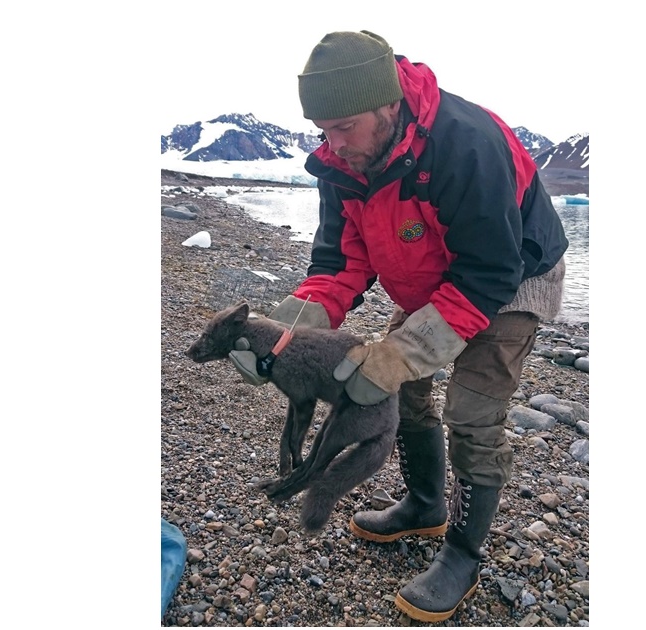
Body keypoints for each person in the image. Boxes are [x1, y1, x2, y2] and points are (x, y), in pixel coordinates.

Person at [230, 30, 569, 622]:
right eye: (323, 131)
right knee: (397, 386)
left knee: (473, 411)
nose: (334, 145)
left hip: (513, 274)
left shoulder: (467, 146)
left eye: (346, 127)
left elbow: (489, 272)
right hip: (433, 276)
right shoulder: (343, 161)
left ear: (389, 105)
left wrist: (405, 350)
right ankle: (424, 503)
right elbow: (340, 261)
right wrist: (284, 330)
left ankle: (462, 555)